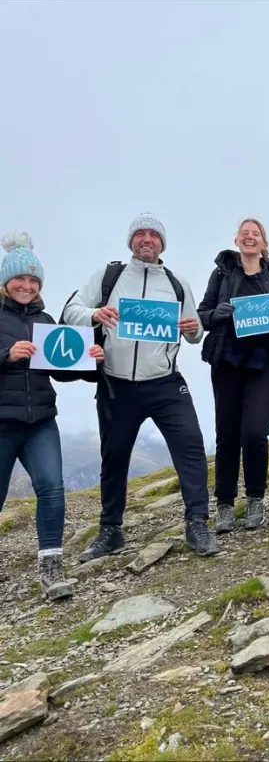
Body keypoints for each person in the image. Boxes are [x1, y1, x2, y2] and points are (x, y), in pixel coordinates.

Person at [62, 212, 220, 559]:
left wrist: (193, 329)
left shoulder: (177, 283)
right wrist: (95, 314)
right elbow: (71, 309)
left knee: (191, 448)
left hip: (165, 383)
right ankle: (110, 531)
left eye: (153, 235)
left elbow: (194, 334)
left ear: (162, 243)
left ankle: (198, 524)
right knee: (114, 457)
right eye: (140, 234)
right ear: (131, 241)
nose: (146, 239)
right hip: (116, 385)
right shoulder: (109, 275)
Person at [0, 233, 105, 600]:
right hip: (2, 423)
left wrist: (90, 360)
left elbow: (59, 368)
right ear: (5, 282)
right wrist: (6, 355)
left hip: (41, 421)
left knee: (52, 489)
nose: (26, 286)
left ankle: (51, 569)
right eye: (20, 279)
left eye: (33, 281)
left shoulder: (45, 319)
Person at [198, 218, 269, 534]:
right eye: (245, 233)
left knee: (254, 433)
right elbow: (203, 315)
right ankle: (225, 505)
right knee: (227, 434)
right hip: (227, 363)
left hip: (264, 364)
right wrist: (217, 315)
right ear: (237, 240)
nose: (250, 237)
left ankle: (256, 498)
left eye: (255, 234)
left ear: (264, 243)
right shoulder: (222, 274)